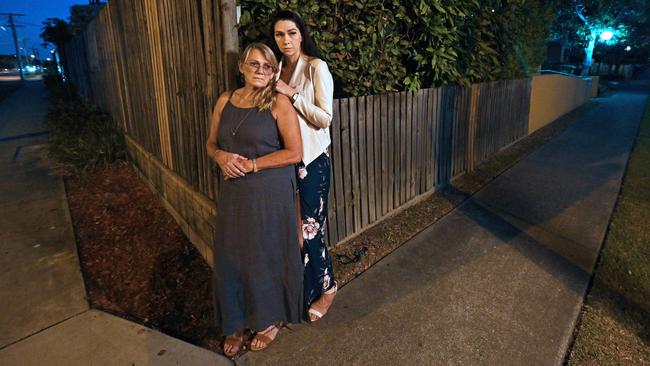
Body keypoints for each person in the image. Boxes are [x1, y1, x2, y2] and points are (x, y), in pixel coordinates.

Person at [206, 42, 303, 357]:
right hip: (234, 193)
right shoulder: (226, 100)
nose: (261, 71)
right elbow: (210, 143)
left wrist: (253, 165)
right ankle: (234, 322)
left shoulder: (278, 103)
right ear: (241, 67)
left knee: (264, 257)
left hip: (269, 192)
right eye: (254, 64)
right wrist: (220, 156)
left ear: (274, 72)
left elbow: (295, 153)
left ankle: (268, 320)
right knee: (231, 256)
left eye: (268, 66)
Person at [270, 10, 337, 323]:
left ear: (302, 34)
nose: (286, 40)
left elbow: (325, 118)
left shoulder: (315, 68)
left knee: (309, 231)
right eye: (280, 34)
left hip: (312, 160)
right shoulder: (278, 69)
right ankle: (304, 291)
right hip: (285, 161)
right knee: (292, 234)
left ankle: (328, 289)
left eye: (291, 33)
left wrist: (292, 94)